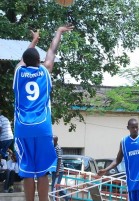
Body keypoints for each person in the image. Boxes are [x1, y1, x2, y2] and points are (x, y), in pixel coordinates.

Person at [13, 25, 74, 201]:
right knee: (42, 170)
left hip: (23, 127)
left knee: (27, 171)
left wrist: (33, 41)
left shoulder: (18, 73)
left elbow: (25, 58)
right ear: (39, 60)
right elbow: (52, 50)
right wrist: (59, 32)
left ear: (24, 60)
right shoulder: (45, 71)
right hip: (42, 127)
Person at [97, 118, 139, 201]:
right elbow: (118, 160)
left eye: (137, 127)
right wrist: (106, 169)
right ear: (128, 128)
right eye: (133, 127)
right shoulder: (124, 142)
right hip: (131, 181)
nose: (135, 129)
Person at [51, 135, 70, 201]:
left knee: (54, 186)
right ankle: (66, 197)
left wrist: (58, 171)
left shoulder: (58, 148)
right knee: (56, 186)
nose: (51, 141)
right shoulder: (53, 147)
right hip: (54, 169)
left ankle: (54, 199)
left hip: (59, 170)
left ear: (55, 141)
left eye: (52, 140)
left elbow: (59, 159)